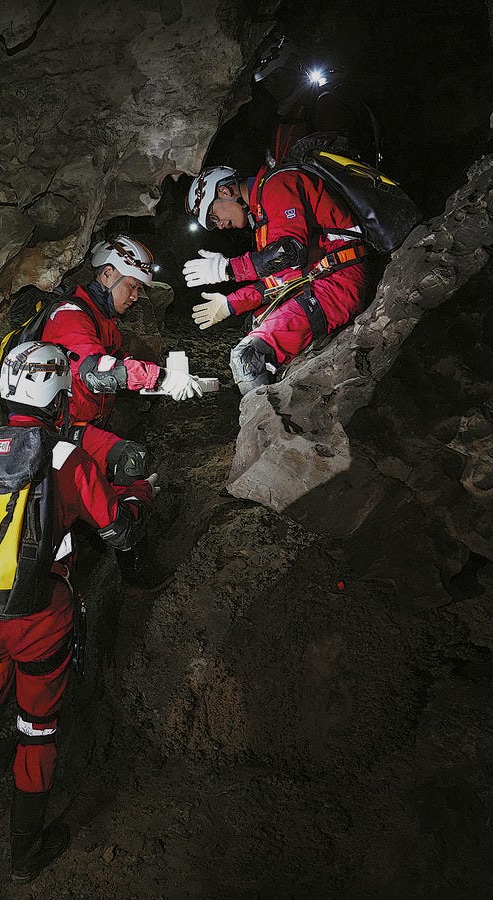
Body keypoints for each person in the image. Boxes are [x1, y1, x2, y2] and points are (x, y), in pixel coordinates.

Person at [0, 341, 157, 883]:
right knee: (36, 729)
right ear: (57, 397)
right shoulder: (65, 458)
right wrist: (137, 493)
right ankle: (25, 855)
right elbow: (117, 532)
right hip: (39, 621)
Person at [39, 234, 203, 589]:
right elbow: (97, 370)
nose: (135, 296)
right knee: (129, 465)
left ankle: (116, 545)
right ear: (108, 274)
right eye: (131, 286)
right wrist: (159, 376)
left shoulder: (100, 319)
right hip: (56, 431)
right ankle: (127, 559)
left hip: (77, 425)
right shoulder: (70, 316)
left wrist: (154, 381)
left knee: (127, 465)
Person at [182, 164, 370, 394]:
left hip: (339, 282)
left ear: (224, 192)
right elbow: (283, 277)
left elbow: (289, 253)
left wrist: (229, 269)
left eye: (214, 216)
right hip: (322, 279)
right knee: (256, 322)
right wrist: (231, 303)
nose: (219, 225)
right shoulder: (262, 212)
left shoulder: (277, 184)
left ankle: (262, 427)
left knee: (248, 357)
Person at [252, 32, 381, 168]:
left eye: (276, 76)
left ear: (294, 65)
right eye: (266, 81)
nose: (271, 84)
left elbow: (342, 163)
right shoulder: (283, 115)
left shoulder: (324, 104)